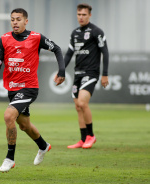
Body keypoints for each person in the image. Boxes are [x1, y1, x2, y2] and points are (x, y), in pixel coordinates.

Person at [0, 8, 65, 172]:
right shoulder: (4, 39)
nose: (15, 22)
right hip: (12, 89)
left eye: (18, 19)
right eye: (12, 19)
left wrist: (62, 71)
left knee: (9, 116)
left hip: (29, 87)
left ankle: (10, 159)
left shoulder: (36, 38)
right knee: (23, 125)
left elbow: (57, 49)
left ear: (26, 21)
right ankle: (43, 146)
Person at [64, 3, 109, 149]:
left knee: (83, 103)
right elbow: (70, 53)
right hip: (77, 73)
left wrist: (105, 74)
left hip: (91, 73)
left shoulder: (97, 31)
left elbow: (105, 52)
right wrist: (61, 71)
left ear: (90, 15)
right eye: (79, 14)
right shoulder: (75, 33)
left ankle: (91, 136)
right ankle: (83, 139)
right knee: (78, 107)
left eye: (84, 14)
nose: (81, 17)